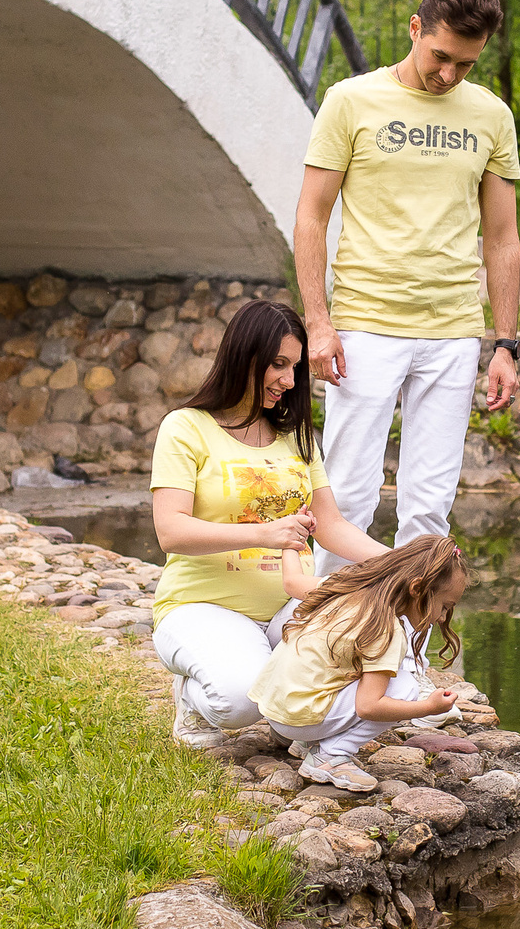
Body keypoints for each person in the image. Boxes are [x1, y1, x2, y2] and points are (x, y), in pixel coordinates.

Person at [297, 0, 520, 570]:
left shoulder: (492, 115)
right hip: (365, 326)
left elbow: (501, 238)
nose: (449, 75)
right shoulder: (349, 101)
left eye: (466, 64)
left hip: (451, 332)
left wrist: (505, 344)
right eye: (440, 57)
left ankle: (409, 656)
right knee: (347, 495)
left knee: (429, 509)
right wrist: (318, 323)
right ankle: (330, 640)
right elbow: (311, 217)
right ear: (415, 29)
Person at [150, 298, 387, 748]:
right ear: (244, 355)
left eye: (294, 367)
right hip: (203, 606)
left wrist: (401, 561)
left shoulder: (295, 438)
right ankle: (193, 701)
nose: (288, 380)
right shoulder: (186, 427)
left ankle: (293, 713)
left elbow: (331, 525)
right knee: (240, 700)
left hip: (289, 608)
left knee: (364, 646)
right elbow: (171, 532)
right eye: (278, 364)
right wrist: (264, 533)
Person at [251, 535, 468, 791]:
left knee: (353, 667)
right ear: (417, 588)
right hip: (299, 720)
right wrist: (427, 708)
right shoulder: (385, 628)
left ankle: (308, 742)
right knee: (405, 687)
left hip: (274, 708)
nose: (442, 618)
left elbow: (292, 582)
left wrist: (291, 543)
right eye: (444, 606)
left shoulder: (347, 585)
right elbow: (369, 707)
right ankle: (330, 757)